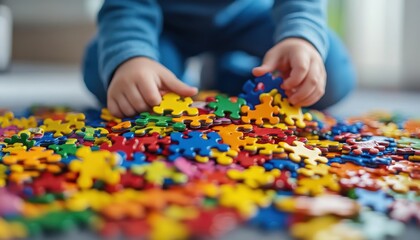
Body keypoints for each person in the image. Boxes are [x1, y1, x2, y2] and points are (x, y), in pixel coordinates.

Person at [83, 0, 356, 118]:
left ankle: (227, 75)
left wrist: (300, 38)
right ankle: (180, 83)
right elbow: (126, 7)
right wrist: (131, 57)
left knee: (329, 71)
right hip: (162, 26)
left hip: (249, 16)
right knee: (112, 75)